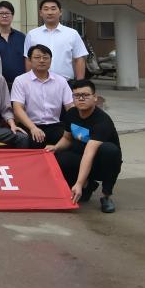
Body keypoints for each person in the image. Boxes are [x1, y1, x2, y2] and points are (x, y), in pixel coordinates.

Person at [49, 79, 122, 213]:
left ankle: (106, 196)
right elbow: (67, 138)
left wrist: (78, 183)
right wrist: (56, 147)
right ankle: (88, 185)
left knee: (109, 150)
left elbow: (89, 153)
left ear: (95, 98)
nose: (81, 99)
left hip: (102, 163)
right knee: (59, 158)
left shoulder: (102, 121)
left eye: (86, 95)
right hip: (81, 156)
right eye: (77, 95)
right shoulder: (71, 114)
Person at [11, 44, 74, 148]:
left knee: (70, 141)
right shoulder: (20, 80)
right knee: (30, 141)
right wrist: (33, 128)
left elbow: (70, 106)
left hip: (55, 125)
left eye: (45, 58)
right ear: (30, 60)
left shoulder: (61, 81)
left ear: (51, 60)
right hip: (30, 124)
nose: (41, 60)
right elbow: (18, 109)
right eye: (37, 57)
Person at [24, 0, 88, 80]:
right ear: (40, 13)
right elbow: (28, 59)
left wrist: (80, 83)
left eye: (53, 9)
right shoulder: (32, 34)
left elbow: (79, 59)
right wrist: (29, 81)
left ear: (60, 12)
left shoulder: (72, 33)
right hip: (38, 82)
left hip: (66, 82)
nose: (50, 12)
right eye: (46, 9)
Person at [0, 1, 27, 88]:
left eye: (7, 13)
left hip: (20, 84)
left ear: (12, 16)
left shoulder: (22, 37)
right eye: (1, 13)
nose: (4, 16)